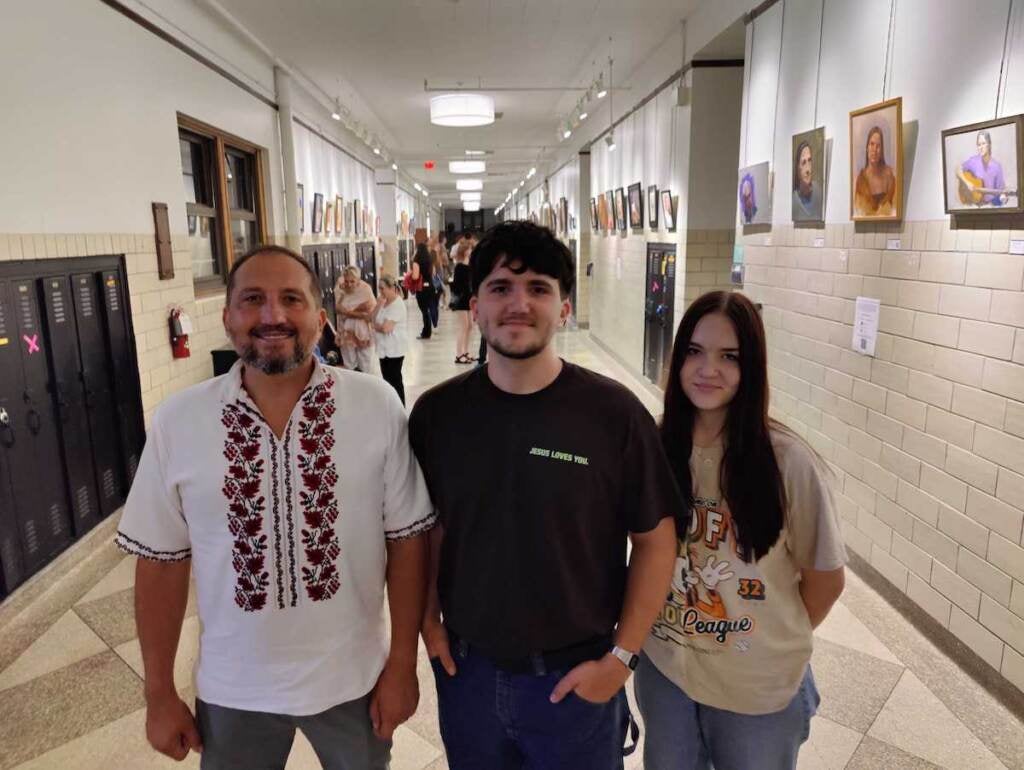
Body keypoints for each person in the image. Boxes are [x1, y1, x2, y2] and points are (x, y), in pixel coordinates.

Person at [115, 245, 435, 769]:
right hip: (233, 690)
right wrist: (158, 693)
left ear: (320, 318)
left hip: (354, 680)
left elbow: (407, 540)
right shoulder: (180, 422)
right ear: (227, 317)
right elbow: (160, 562)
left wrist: (403, 663)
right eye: (252, 300)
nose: (273, 316)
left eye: (292, 299)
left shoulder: (375, 406)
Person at [409, 221, 682, 770]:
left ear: (563, 307)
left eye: (538, 288)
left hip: (575, 678)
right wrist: (429, 624)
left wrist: (622, 658)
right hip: (469, 674)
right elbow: (428, 530)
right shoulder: (437, 415)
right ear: (476, 305)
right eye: (500, 288)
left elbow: (656, 541)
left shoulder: (613, 415)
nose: (519, 304)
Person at [635, 290, 847, 770]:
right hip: (667, 668)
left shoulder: (787, 463)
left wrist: (753, 638)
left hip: (757, 687)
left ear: (751, 367)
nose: (708, 369)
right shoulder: (654, 443)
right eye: (694, 351)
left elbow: (825, 582)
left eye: (729, 357)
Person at [335, 265, 381, 376]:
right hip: (346, 332)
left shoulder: (366, 290)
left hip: (363, 333)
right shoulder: (340, 289)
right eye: (347, 281)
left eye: (352, 281)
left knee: (366, 366)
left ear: (358, 280)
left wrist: (348, 313)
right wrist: (339, 332)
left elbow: (370, 315)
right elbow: (338, 310)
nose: (349, 284)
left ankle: (367, 389)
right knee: (349, 366)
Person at [373, 273, 409, 404]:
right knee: (387, 382)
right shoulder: (383, 302)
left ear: (391, 288)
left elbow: (385, 328)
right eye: (379, 288)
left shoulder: (397, 305)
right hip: (384, 349)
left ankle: (400, 407)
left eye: (382, 288)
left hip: (394, 349)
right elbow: (371, 319)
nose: (380, 291)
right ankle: (392, 407)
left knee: (395, 381)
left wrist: (376, 326)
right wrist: (377, 305)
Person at [956, 130, 1011, 207]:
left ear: (989, 145)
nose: (981, 147)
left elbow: (1000, 192)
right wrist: (967, 182)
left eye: (983, 144)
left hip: (989, 206)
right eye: (979, 145)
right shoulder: (973, 161)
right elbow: (958, 169)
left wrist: (1003, 198)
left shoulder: (997, 167)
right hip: (973, 205)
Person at [853, 125, 897, 216]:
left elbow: (894, 209)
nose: (874, 150)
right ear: (867, 148)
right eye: (872, 144)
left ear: (881, 151)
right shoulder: (861, 179)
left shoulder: (889, 175)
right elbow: (857, 211)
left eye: (878, 146)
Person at [449, 242, 473, 364]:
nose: (471, 250)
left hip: (469, 299)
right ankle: (459, 354)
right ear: (465, 251)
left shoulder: (470, 265)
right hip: (461, 299)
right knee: (463, 327)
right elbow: (457, 285)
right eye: (469, 249)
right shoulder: (459, 267)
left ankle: (465, 351)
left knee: (470, 326)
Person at [410, 242, 437, 339]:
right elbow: (433, 273)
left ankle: (426, 332)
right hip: (430, 287)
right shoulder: (430, 260)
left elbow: (415, 276)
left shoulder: (416, 261)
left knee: (424, 311)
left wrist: (410, 276)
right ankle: (428, 330)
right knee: (428, 309)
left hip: (421, 289)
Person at [792, 140, 822, 220]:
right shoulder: (793, 200)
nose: (808, 169)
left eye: (809, 161)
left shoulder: (818, 190)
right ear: (798, 167)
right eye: (803, 162)